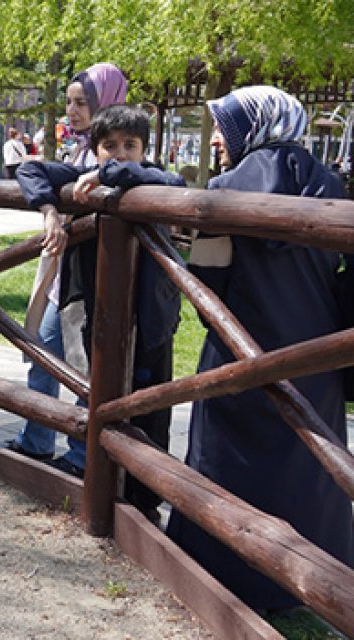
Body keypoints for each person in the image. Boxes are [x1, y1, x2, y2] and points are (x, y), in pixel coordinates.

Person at [166, 85, 354, 612]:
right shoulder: (332, 183)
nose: (220, 141)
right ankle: (318, 581)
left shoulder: (226, 189)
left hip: (243, 346)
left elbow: (209, 285)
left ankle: (223, 569)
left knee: (227, 460)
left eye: (225, 128)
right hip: (318, 349)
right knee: (312, 460)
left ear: (252, 127)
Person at [13, 105, 184, 522]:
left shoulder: (154, 178)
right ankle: (95, 477)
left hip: (149, 320)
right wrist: (51, 211)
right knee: (96, 390)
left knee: (149, 405)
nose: (121, 154)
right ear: (95, 147)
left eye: (131, 146)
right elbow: (29, 172)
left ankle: (143, 502)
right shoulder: (80, 178)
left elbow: (174, 182)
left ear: (146, 149)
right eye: (109, 147)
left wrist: (110, 175)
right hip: (96, 312)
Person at [1, 62, 129, 475]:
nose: (72, 112)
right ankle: (37, 439)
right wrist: (50, 210)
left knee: (84, 370)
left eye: (83, 103)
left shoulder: (121, 152)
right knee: (44, 355)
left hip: (96, 281)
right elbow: (31, 169)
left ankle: (80, 457)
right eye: (70, 102)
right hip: (65, 278)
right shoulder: (79, 150)